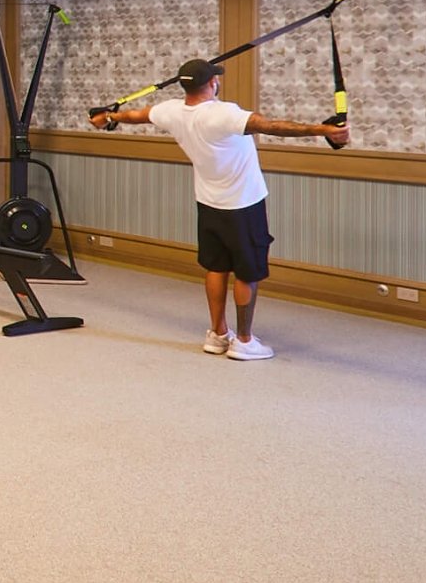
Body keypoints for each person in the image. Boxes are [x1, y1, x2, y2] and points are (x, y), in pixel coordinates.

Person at [87, 58, 350, 361]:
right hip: (243, 206)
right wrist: (323, 129)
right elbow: (272, 126)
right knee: (246, 273)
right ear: (212, 83)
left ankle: (217, 334)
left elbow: (136, 115)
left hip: (209, 205)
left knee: (216, 268)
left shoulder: (171, 111)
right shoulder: (223, 114)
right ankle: (245, 341)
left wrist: (109, 117)